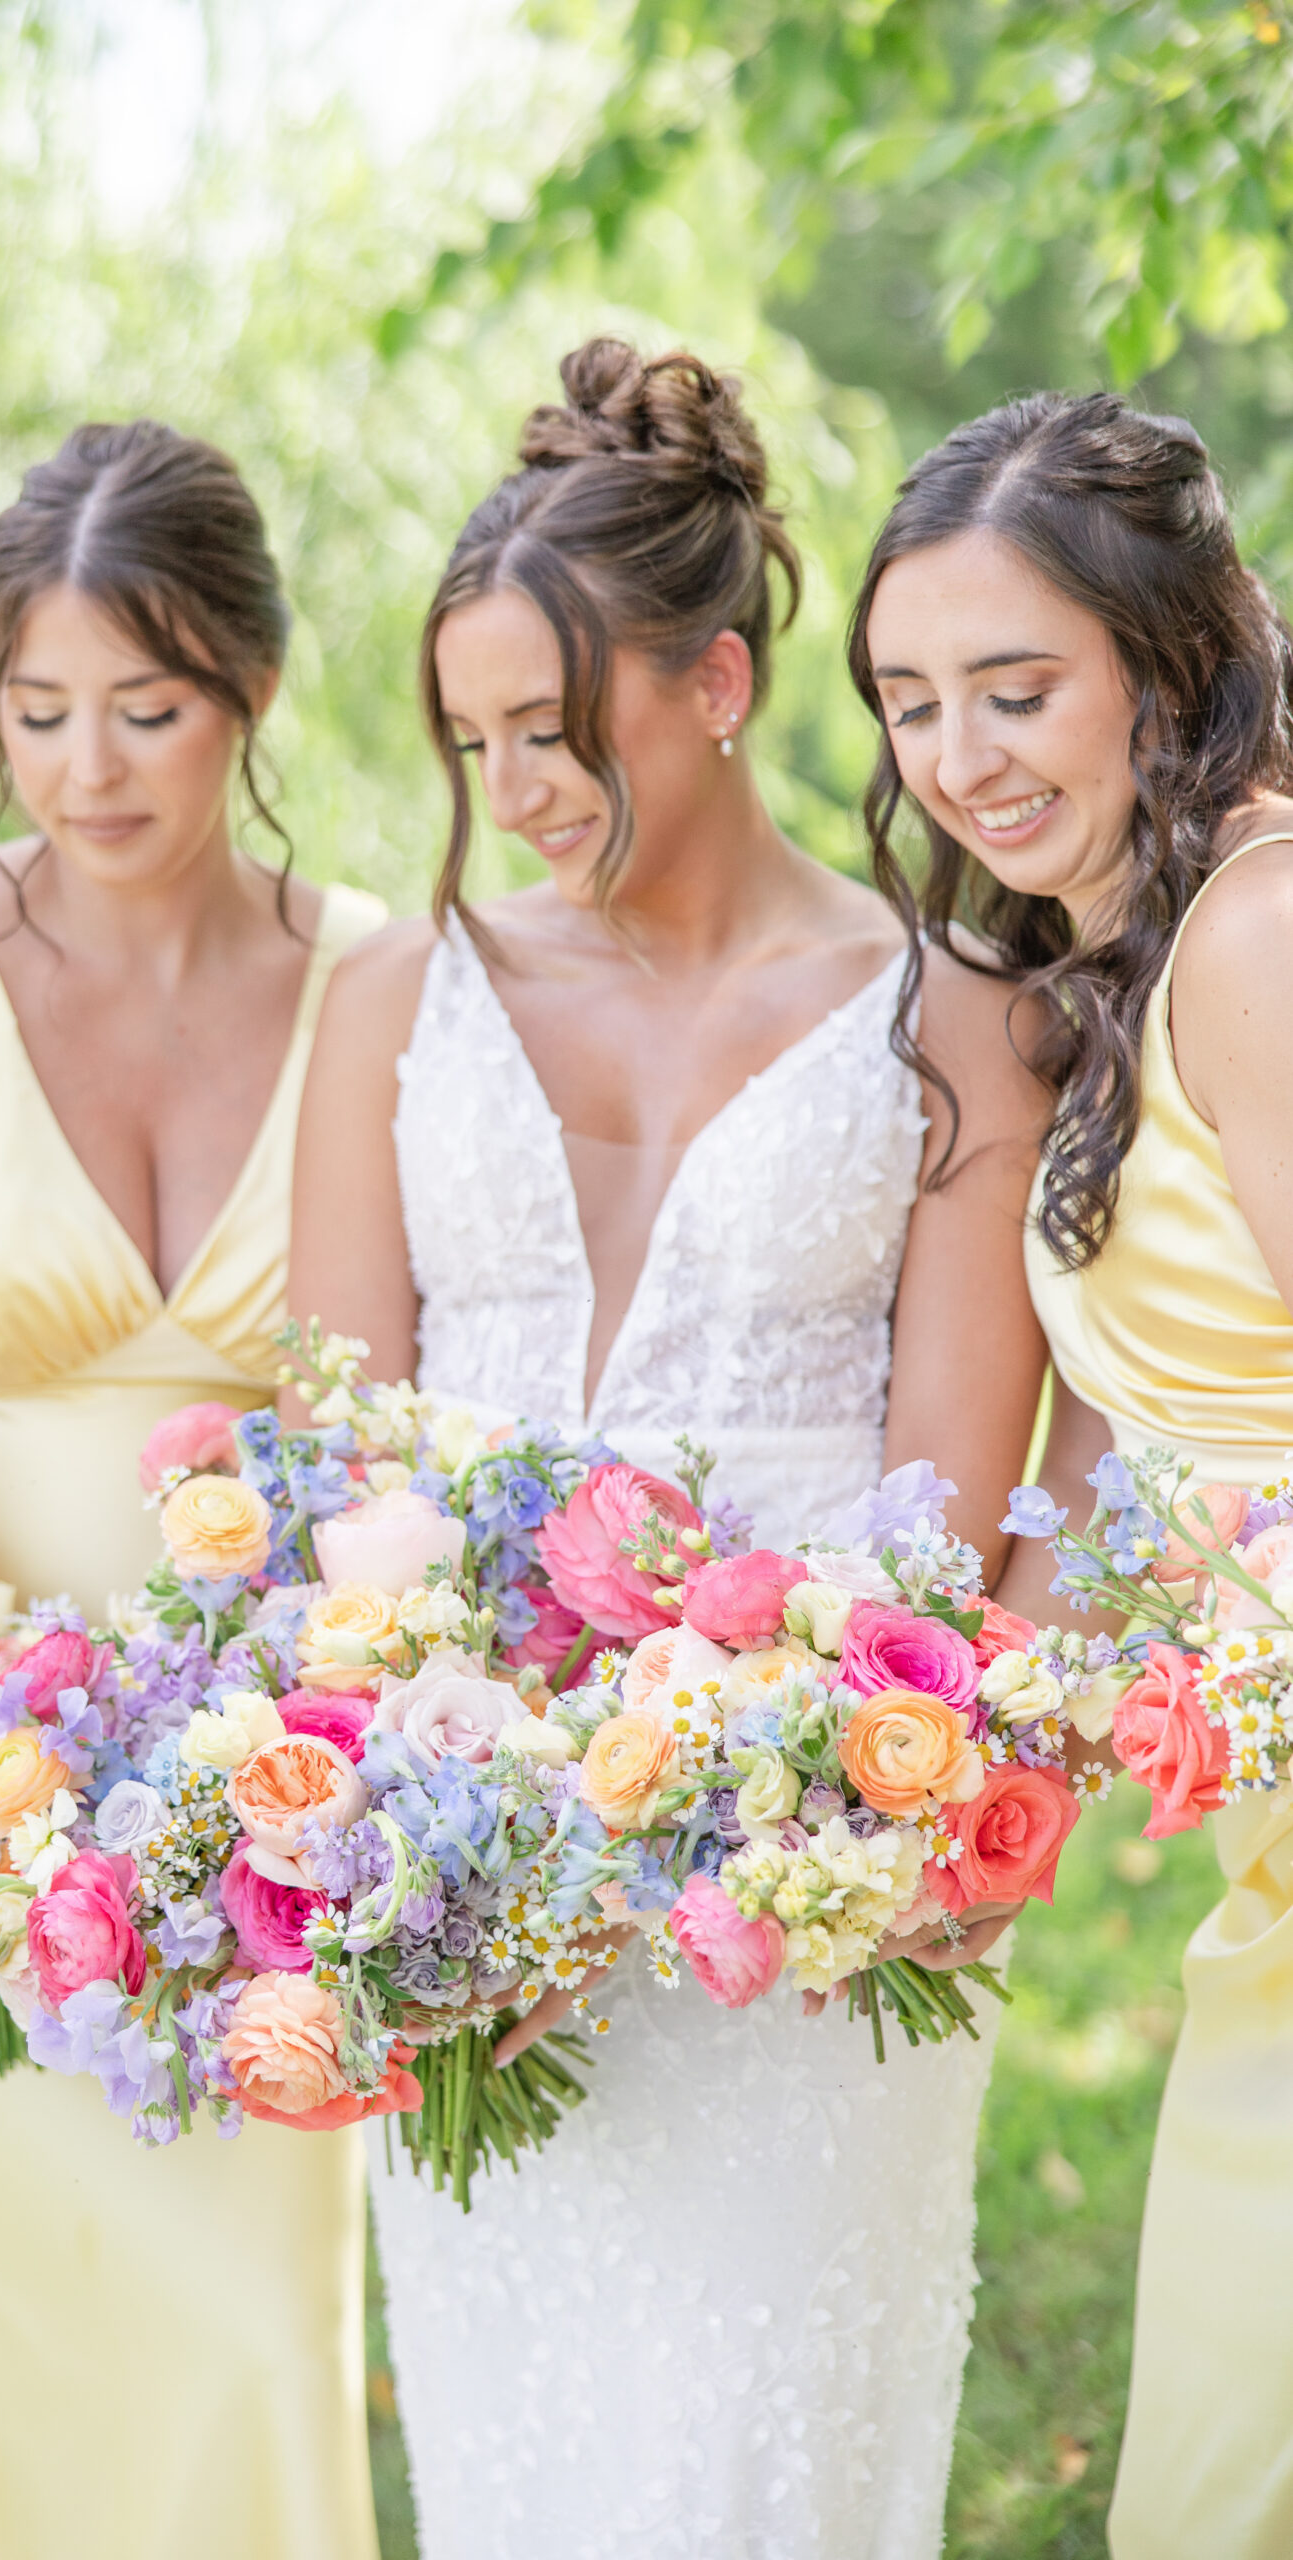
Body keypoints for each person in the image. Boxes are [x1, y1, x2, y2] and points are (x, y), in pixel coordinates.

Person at [289, 339, 1049, 2560]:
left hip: (805, 1874)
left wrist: (796, 1812)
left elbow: (943, 1509)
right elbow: (343, 1447)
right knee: (523, 2469)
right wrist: (418, 1813)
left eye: (557, 725)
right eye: (473, 738)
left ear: (715, 681)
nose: (511, 782)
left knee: (762, 2472)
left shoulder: (951, 1008)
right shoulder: (389, 997)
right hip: (457, 1871)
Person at [0, 420, 384, 2560]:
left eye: (148, 708)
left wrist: (274, 1752)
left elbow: (395, 1411)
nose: (87, 769)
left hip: (266, 1826)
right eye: (36, 713)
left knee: (240, 2354)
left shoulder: (368, 979)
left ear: (254, 691)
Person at [853, 387, 1293, 2560]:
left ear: (1167, 658)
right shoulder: (1120, 959)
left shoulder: (1258, 935)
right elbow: (1112, 1455)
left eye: (1013, 686)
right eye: (909, 699)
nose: (958, 754)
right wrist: (941, 1768)